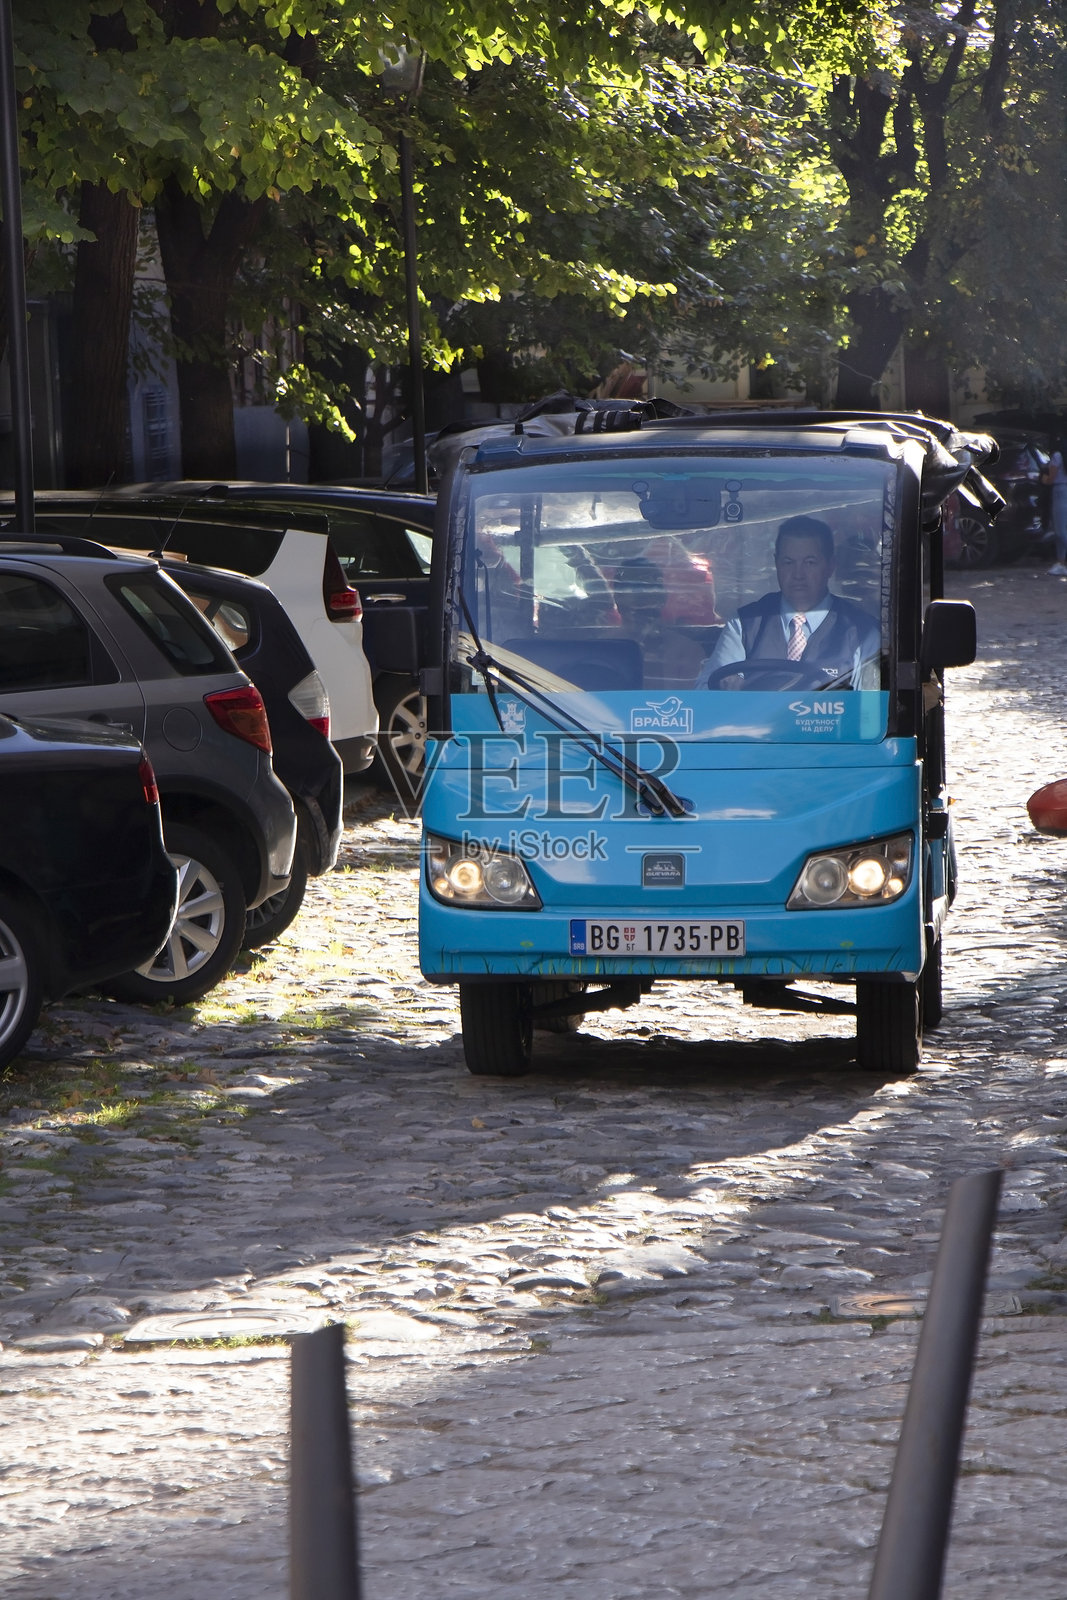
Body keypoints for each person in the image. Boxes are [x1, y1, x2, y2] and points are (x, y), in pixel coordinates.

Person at [697, 515, 881, 689]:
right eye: (788, 562)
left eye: (809, 562)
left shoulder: (861, 632)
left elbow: (869, 709)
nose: (798, 574)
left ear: (830, 565)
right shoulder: (744, 625)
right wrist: (730, 688)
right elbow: (709, 696)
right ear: (776, 563)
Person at [611, 556, 705, 690]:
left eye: (650, 599)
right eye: (638, 600)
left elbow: (690, 704)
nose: (643, 610)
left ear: (662, 600)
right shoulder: (602, 650)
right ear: (617, 599)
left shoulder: (686, 652)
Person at [1042, 438, 1067, 576]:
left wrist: (1043, 478)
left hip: (1059, 490)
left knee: (1060, 530)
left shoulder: (1058, 456)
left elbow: (1051, 478)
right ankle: (1061, 561)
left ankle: (1061, 561)